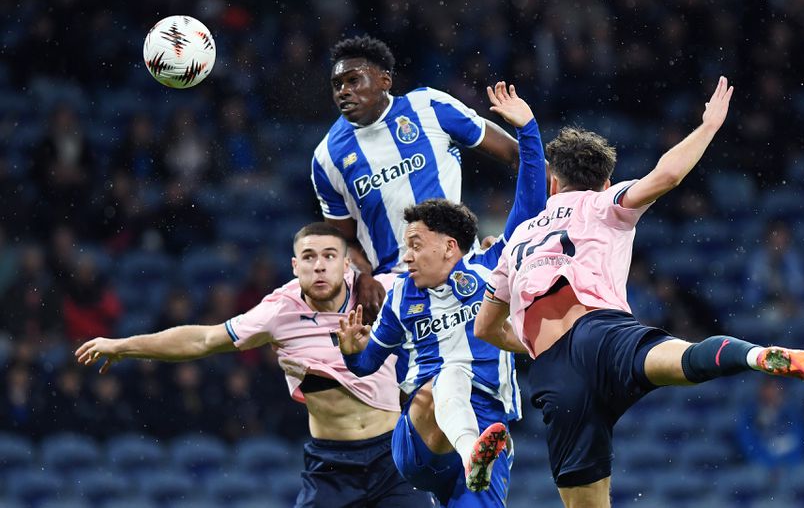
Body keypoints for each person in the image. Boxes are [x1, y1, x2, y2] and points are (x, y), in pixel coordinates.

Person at [474, 77, 804, 508]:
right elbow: (668, 175)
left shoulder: (519, 239)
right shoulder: (604, 203)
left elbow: (486, 329)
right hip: (603, 334)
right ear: (605, 181)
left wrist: (530, 342)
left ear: (554, 185)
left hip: (557, 371)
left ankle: (485, 438)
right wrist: (708, 127)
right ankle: (754, 355)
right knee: (685, 359)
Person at [75, 222, 434, 508]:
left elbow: (451, 284)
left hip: (395, 455)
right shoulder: (279, 312)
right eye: (308, 257)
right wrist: (123, 346)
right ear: (295, 266)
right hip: (333, 466)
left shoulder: (383, 292)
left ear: (346, 264)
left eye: (329, 255)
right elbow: (203, 340)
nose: (319, 265)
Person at [337, 82, 546, 507]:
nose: (406, 256)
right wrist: (351, 352)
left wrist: (528, 130)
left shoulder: (491, 269)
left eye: (415, 245)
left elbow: (529, 206)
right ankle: (471, 454)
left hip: (492, 428)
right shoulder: (399, 297)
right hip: (421, 439)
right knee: (449, 376)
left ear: (450, 247)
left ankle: (476, 457)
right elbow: (366, 364)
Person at [311, 35, 525, 320]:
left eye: (353, 80)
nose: (344, 92)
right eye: (337, 85)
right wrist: (361, 275)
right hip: (396, 292)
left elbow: (515, 153)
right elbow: (343, 239)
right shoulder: (327, 156)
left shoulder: (429, 107)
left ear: (385, 80)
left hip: (463, 273)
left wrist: (567, 190)